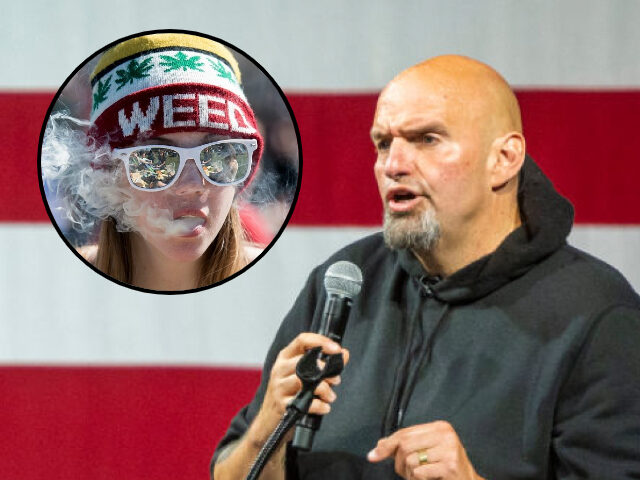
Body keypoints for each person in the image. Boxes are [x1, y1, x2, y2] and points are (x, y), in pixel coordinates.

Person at [211, 55, 640, 480]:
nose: (393, 165)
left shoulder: (598, 315)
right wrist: (265, 432)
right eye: (383, 143)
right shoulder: (344, 282)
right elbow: (231, 474)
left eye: (427, 139)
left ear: (505, 158)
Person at [44, 33, 266, 291]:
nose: (193, 184)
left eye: (220, 154)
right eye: (154, 161)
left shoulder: (282, 284)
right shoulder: (61, 289)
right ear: (110, 178)